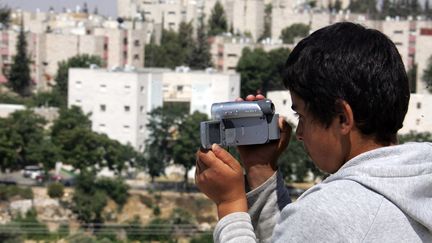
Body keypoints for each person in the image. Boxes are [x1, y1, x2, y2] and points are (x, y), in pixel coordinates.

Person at [195, 22, 432, 242]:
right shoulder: (418, 187)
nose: (299, 133)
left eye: (302, 116)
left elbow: (321, 227)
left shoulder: (333, 212)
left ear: (342, 118)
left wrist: (230, 205)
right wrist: (260, 171)